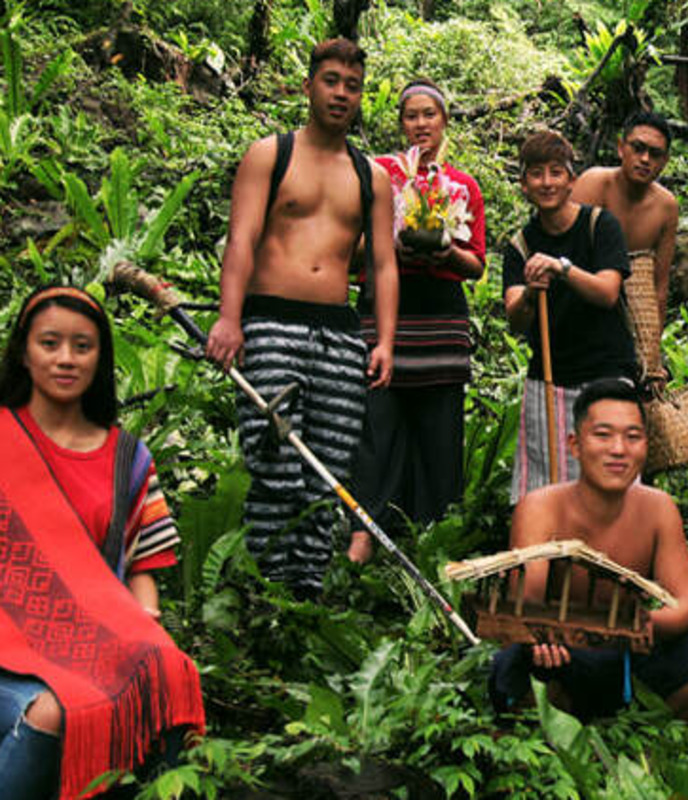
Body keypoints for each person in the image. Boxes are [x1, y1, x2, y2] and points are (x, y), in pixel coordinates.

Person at [204, 38, 399, 596]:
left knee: (327, 472)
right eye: (332, 80)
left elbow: (383, 265)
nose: (342, 93)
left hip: (339, 334)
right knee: (275, 461)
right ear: (309, 85)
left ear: (362, 97)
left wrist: (382, 340)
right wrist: (229, 318)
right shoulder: (271, 154)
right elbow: (240, 240)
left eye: (353, 85)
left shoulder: (371, 178)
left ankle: (304, 596)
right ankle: (266, 594)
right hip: (270, 325)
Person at [0, 286, 205, 800]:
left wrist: (146, 629)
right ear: (25, 352)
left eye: (82, 346)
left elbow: (144, 567)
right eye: (50, 343)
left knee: (168, 675)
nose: (66, 359)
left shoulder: (128, 459)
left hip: (97, 644)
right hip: (10, 651)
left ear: (100, 357)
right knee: (53, 710)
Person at [489, 378, 688, 720]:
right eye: (603, 435)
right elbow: (524, 604)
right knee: (517, 661)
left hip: (628, 649)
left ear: (647, 446)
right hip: (560, 650)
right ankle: (558, 736)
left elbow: (686, 608)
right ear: (575, 445)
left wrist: (634, 623)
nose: (619, 449)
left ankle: (641, 734)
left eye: (632, 437)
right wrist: (542, 637)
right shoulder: (540, 508)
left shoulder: (658, 509)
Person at [349, 78, 486, 562]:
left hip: (440, 327)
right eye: (412, 115)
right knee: (376, 432)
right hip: (382, 324)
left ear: (444, 121)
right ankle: (366, 538)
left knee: (439, 438)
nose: (421, 124)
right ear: (400, 122)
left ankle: (433, 544)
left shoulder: (462, 185)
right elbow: (351, 252)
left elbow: (476, 264)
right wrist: (396, 244)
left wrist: (445, 249)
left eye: (430, 115)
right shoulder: (378, 174)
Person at [502, 130, 638, 502]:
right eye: (536, 174)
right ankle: (553, 557)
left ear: (571, 180)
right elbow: (515, 320)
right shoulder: (520, 245)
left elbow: (608, 292)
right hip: (549, 379)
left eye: (555, 173)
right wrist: (531, 291)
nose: (546, 182)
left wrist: (563, 268)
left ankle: (616, 555)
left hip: (608, 374)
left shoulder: (600, 225)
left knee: (613, 477)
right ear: (524, 184)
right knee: (547, 486)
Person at [572, 110, 679, 381]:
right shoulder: (594, 183)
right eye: (638, 148)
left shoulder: (666, 207)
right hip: (583, 301)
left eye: (655, 154)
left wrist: (652, 351)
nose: (645, 159)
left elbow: (660, 285)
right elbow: (567, 253)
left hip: (632, 313)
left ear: (665, 162)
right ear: (621, 148)